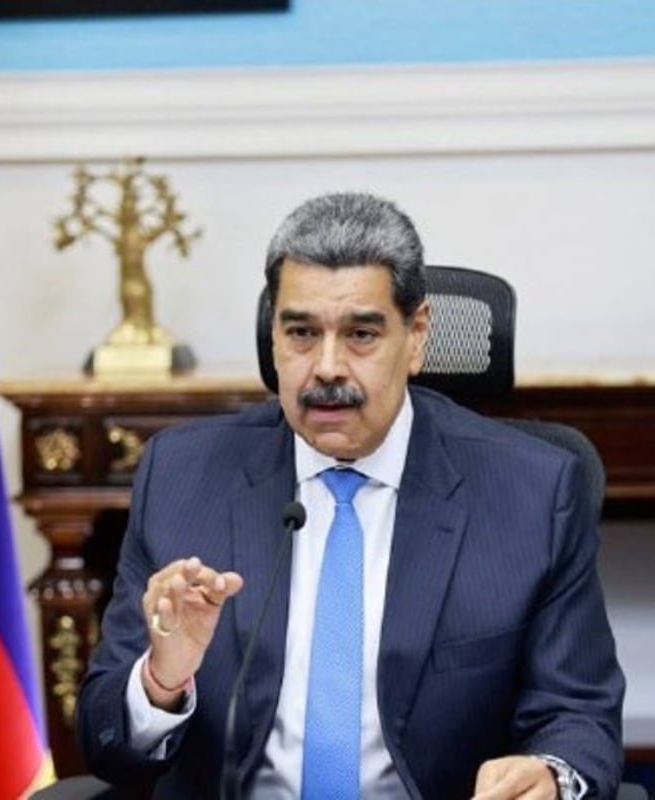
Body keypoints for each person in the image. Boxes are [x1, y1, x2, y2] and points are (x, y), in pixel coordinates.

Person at [77, 192, 625, 799]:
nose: (328, 367)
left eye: (361, 334)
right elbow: (104, 741)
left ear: (416, 336)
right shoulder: (184, 476)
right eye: (301, 334)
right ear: (273, 338)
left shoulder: (532, 490)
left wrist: (551, 775)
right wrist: (161, 680)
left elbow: (579, 716)